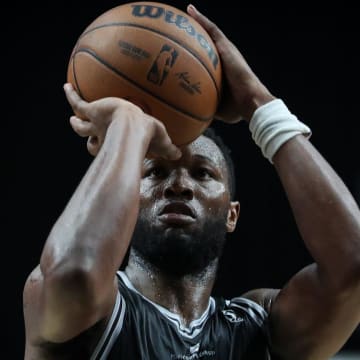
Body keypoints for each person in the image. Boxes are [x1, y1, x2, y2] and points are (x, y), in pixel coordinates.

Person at [23, 4, 360, 360]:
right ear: (126, 202)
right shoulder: (93, 314)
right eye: (155, 172)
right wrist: (129, 123)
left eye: (203, 173)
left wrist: (257, 102)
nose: (179, 185)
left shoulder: (256, 329)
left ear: (232, 214)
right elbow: (73, 277)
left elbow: (352, 265)